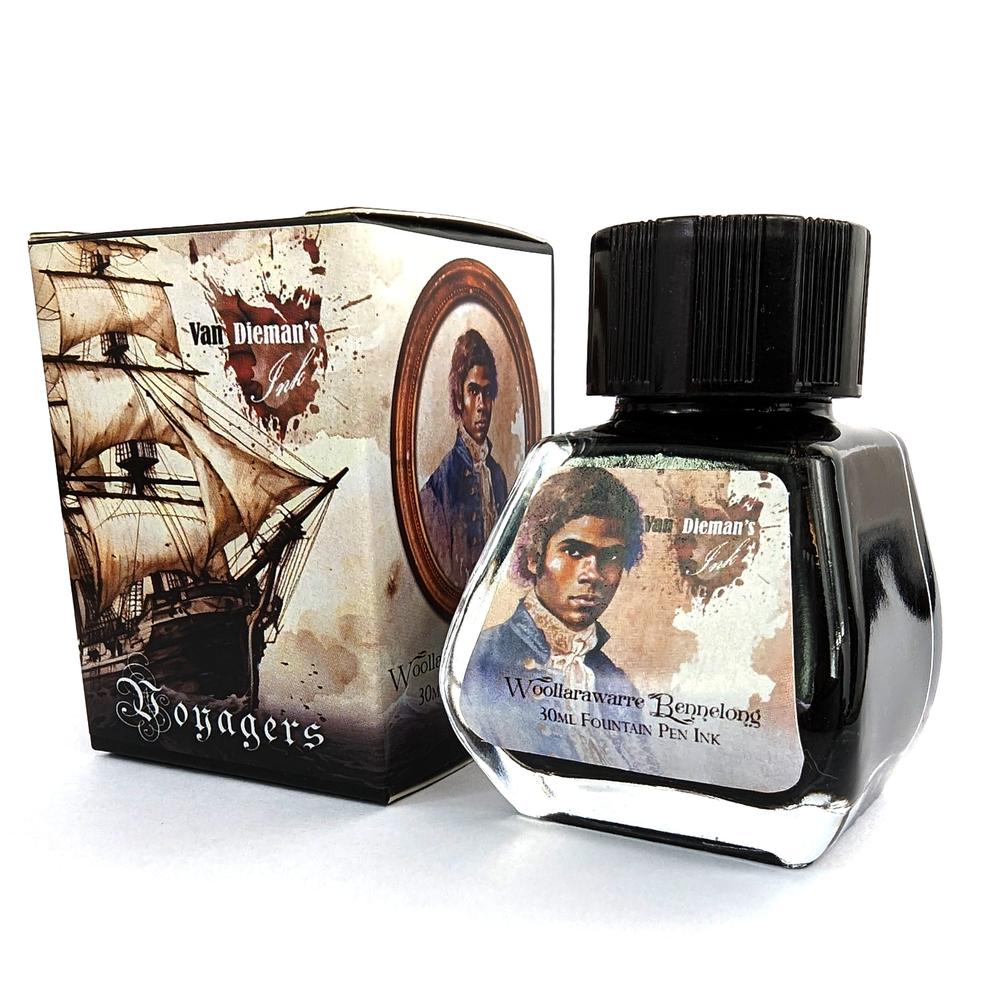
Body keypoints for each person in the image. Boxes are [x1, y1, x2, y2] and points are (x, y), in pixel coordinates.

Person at [461, 466, 652, 766]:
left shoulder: (616, 681)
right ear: (534, 558)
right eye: (574, 552)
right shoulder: (482, 660)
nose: (593, 574)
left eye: (611, 556)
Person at [420, 329, 509, 586]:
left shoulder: (498, 476)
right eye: (473, 391)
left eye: (487, 392)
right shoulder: (438, 490)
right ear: (459, 398)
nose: (482, 405)